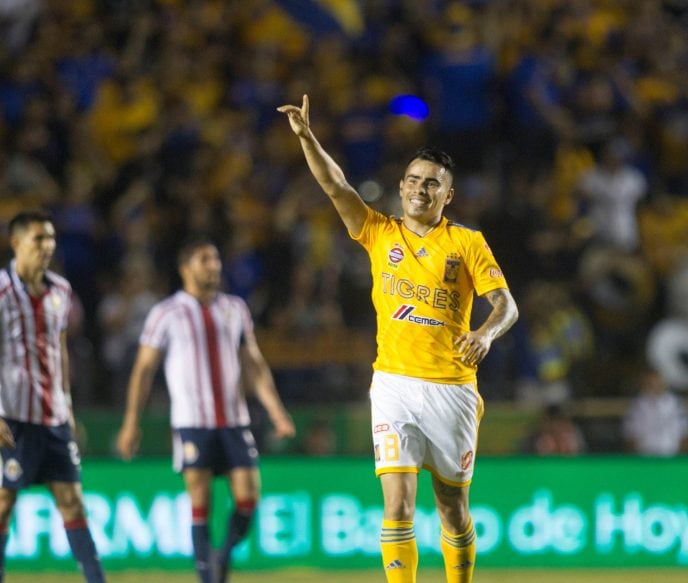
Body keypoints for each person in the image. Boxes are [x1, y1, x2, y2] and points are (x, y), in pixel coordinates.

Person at [278, 95, 519, 583]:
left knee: (451, 506)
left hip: (451, 386)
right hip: (392, 384)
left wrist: (486, 333)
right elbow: (335, 186)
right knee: (398, 505)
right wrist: (307, 138)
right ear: (401, 186)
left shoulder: (466, 242)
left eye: (432, 183)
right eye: (413, 180)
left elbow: (507, 305)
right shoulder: (378, 232)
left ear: (447, 195)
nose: (420, 189)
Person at [115, 236, 296, 583]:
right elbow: (143, 370)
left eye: (215, 259)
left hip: (234, 420)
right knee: (201, 500)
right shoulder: (165, 313)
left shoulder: (234, 308)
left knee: (248, 498)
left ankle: (221, 557)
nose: (213, 265)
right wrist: (130, 423)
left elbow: (253, 362)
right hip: (191, 423)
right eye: (204, 260)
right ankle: (209, 578)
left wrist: (276, 410)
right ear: (186, 268)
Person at [0, 210, 105, 583]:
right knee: (2, 502)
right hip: (10, 417)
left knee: (72, 499)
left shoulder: (60, 290)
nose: (47, 247)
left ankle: (97, 579)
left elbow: (58, 348)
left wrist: (69, 406)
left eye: (50, 239)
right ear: (16, 244)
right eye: (37, 240)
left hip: (54, 417)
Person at [623, 366, 688, 456]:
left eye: (655, 381)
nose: (653, 385)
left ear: (662, 382)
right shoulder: (638, 404)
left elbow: (682, 430)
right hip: (645, 454)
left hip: (669, 453)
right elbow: (631, 432)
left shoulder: (674, 403)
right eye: (649, 382)